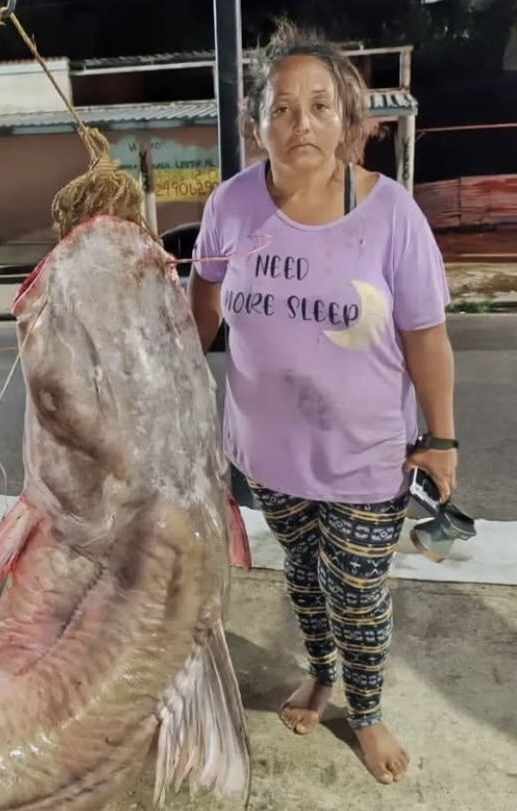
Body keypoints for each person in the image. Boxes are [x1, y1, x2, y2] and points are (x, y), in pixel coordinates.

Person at [187, 20, 457, 785]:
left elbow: (428, 337)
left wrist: (442, 439)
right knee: (303, 575)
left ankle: (365, 708)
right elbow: (202, 307)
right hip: (269, 452)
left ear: (348, 122)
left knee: (359, 591)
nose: (299, 123)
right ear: (258, 122)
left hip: (366, 453)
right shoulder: (231, 204)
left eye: (318, 107)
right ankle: (320, 669)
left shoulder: (391, 212)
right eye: (280, 108)